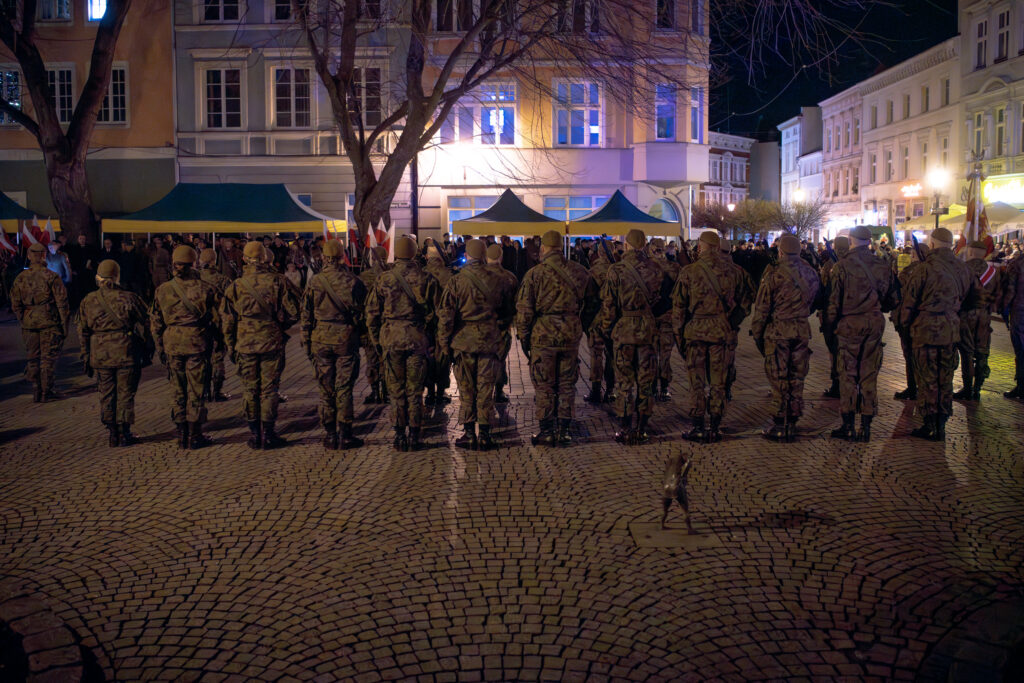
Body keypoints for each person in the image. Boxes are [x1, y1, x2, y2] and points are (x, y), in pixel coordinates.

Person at [515, 229, 598, 446]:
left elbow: (524, 311)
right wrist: (581, 325)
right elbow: (592, 304)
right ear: (561, 247)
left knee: (544, 384)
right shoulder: (580, 272)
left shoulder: (534, 274)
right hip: (570, 334)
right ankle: (565, 428)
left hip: (543, 335)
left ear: (543, 248)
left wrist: (524, 338)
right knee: (567, 383)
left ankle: (547, 430)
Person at [898, 228, 978, 440]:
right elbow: (973, 300)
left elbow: (909, 304)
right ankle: (942, 422)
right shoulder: (964, 269)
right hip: (950, 330)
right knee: (945, 377)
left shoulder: (924, 270)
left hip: (925, 330)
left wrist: (905, 326)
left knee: (927, 378)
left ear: (932, 244)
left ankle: (930, 422)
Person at [221, 241, 300, 450]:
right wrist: (278, 325)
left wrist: (230, 346)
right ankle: (269, 433)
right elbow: (294, 311)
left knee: (249, 389)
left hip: (244, 343)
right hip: (271, 340)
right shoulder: (278, 281)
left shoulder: (235, 286)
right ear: (265, 258)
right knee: (269, 389)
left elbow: (227, 321)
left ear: (245, 259)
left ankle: (255, 434)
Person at [438, 239, 516, 450]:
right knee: (485, 388)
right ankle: (486, 432)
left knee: (466, 389)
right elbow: (509, 311)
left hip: (464, 342)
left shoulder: (456, 281)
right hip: (490, 341)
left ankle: (469, 433)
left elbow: (446, 316)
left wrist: (444, 344)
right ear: (483, 255)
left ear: (468, 255)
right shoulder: (500, 279)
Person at [825, 225, 900, 442]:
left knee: (848, 373)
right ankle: (866, 425)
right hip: (874, 323)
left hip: (849, 323)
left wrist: (830, 331)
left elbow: (833, 304)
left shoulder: (842, 266)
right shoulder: (883, 265)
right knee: (869, 372)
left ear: (851, 240)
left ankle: (848, 424)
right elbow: (894, 299)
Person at [366, 236, 442, 451]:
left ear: (396, 254)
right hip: (417, 338)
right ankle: (415, 434)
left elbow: (372, 314)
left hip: (391, 339)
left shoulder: (383, 279)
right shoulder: (427, 278)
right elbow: (439, 314)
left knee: (396, 390)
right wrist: (435, 341)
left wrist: (377, 342)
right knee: (415, 390)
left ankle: (399, 434)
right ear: (415, 253)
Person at [672, 231, 746, 443]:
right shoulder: (734, 271)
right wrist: (731, 322)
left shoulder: (688, 272)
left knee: (696, 382)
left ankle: (697, 425)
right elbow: (747, 299)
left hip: (695, 332)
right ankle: (715, 425)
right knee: (718, 381)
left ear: (701, 247)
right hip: (721, 333)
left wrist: (679, 338)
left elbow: (678, 309)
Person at [596, 229, 668, 445]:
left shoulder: (615, 270)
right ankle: (643, 426)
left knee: (624, 382)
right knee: (646, 381)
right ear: (644, 245)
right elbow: (662, 301)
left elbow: (609, 305)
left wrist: (607, 330)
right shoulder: (656, 269)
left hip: (624, 330)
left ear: (626, 245)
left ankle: (626, 427)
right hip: (647, 330)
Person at [748, 234, 822, 441]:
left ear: (780, 251)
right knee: (797, 377)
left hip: (778, 332)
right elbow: (816, 300)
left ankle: (781, 421)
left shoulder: (773, 274)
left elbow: (762, 308)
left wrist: (758, 332)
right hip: (800, 329)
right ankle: (794, 419)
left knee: (779, 377)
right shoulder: (811, 273)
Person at [151, 245, 222, 449]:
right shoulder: (205, 288)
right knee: (196, 389)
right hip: (196, 341)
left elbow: (155, 322)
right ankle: (194, 434)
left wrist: (160, 348)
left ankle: (181, 433)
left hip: (172, 342)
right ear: (194, 263)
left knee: (177, 388)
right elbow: (219, 318)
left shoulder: (162, 290)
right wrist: (220, 342)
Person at [77, 259, 153, 446]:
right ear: (117, 276)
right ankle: (124, 432)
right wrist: (147, 346)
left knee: (106, 392)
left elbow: (83, 331)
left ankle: (111, 432)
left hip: (100, 353)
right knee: (125, 392)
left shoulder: (88, 300)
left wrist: (86, 355)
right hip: (125, 351)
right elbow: (147, 320)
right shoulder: (129, 297)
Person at [301, 239, 367, 450]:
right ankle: (345, 434)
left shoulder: (315, 282)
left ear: (323, 257)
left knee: (325, 388)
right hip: (345, 338)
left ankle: (330, 434)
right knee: (344, 387)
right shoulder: (353, 281)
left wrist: (306, 338)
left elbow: (306, 313)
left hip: (320, 339)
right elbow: (362, 313)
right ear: (342, 256)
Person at [10, 242, 69, 402]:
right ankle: (46, 391)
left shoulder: (20, 278)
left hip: (29, 322)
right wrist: (64, 325)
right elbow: (62, 303)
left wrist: (24, 318)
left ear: (29, 256)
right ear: (44, 256)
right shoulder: (51, 276)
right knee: (47, 357)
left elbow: (15, 304)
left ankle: (36, 389)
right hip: (49, 321)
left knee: (33, 357)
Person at [955, 240, 1002, 400]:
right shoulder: (993, 271)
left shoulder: (963, 269)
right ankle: (978, 388)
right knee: (982, 351)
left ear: (970, 251)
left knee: (967, 352)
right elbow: (998, 294)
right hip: (984, 316)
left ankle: (967, 388)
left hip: (966, 315)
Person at [719, 238, 755, 400]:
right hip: (729, 325)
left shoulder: (695, 270)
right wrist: (737, 318)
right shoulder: (739, 271)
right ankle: (725, 389)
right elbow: (749, 297)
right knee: (728, 360)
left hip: (702, 326)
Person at [892, 243, 928, 400]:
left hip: (908, 318)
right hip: (926, 320)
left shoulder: (909, 271)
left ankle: (912, 387)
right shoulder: (934, 271)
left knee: (910, 355)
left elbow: (897, 291)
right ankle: (923, 387)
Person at [648, 238, 682, 401]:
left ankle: (656, 386)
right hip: (666, 315)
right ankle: (663, 386)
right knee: (664, 354)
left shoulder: (646, 268)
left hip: (653, 317)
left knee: (654, 353)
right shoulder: (673, 267)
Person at [485, 243, 519, 405]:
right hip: (503, 327)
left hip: (482, 327)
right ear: (501, 257)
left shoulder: (478, 275)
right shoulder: (510, 277)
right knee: (500, 358)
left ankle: (484, 391)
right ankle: (499, 391)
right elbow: (516, 304)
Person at [197, 248, 232, 402]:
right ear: (214, 261)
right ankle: (217, 391)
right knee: (217, 358)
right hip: (217, 324)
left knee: (202, 359)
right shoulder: (223, 280)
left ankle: (204, 391)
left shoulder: (195, 279)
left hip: (199, 325)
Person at [584, 241, 616, 404]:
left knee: (596, 355)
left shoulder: (593, 271)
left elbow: (588, 298)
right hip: (614, 319)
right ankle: (610, 390)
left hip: (597, 319)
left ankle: (596, 389)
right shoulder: (618, 271)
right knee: (612, 355)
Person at [423, 240, 454, 405]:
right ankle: (441, 391)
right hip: (444, 323)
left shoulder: (422, 273)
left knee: (427, 357)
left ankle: (429, 392)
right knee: (443, 358)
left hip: (426, 324)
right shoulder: (449, 275)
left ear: (427, 257)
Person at [359, 246, 389, 405]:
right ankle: (387, 391)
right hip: (389, 326)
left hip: (369, 325)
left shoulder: (364, 276)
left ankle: (375, 392)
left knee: (371, 359)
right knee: (386, 359)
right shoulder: (391, 275)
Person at [1002, 243, 1024, 399]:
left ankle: (1022, 387)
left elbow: (1009, 291)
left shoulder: (1017, 264)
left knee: (1021, 350)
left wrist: (1004, 310)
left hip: (1020, 312)